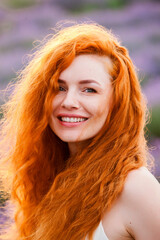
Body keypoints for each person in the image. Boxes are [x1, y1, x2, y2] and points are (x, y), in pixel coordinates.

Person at [0, 22, 160, 240]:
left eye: (89, 90)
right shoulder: (49, 178)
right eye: (60, 87)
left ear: (117, 102)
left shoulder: (136, 188)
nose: (69, 101)